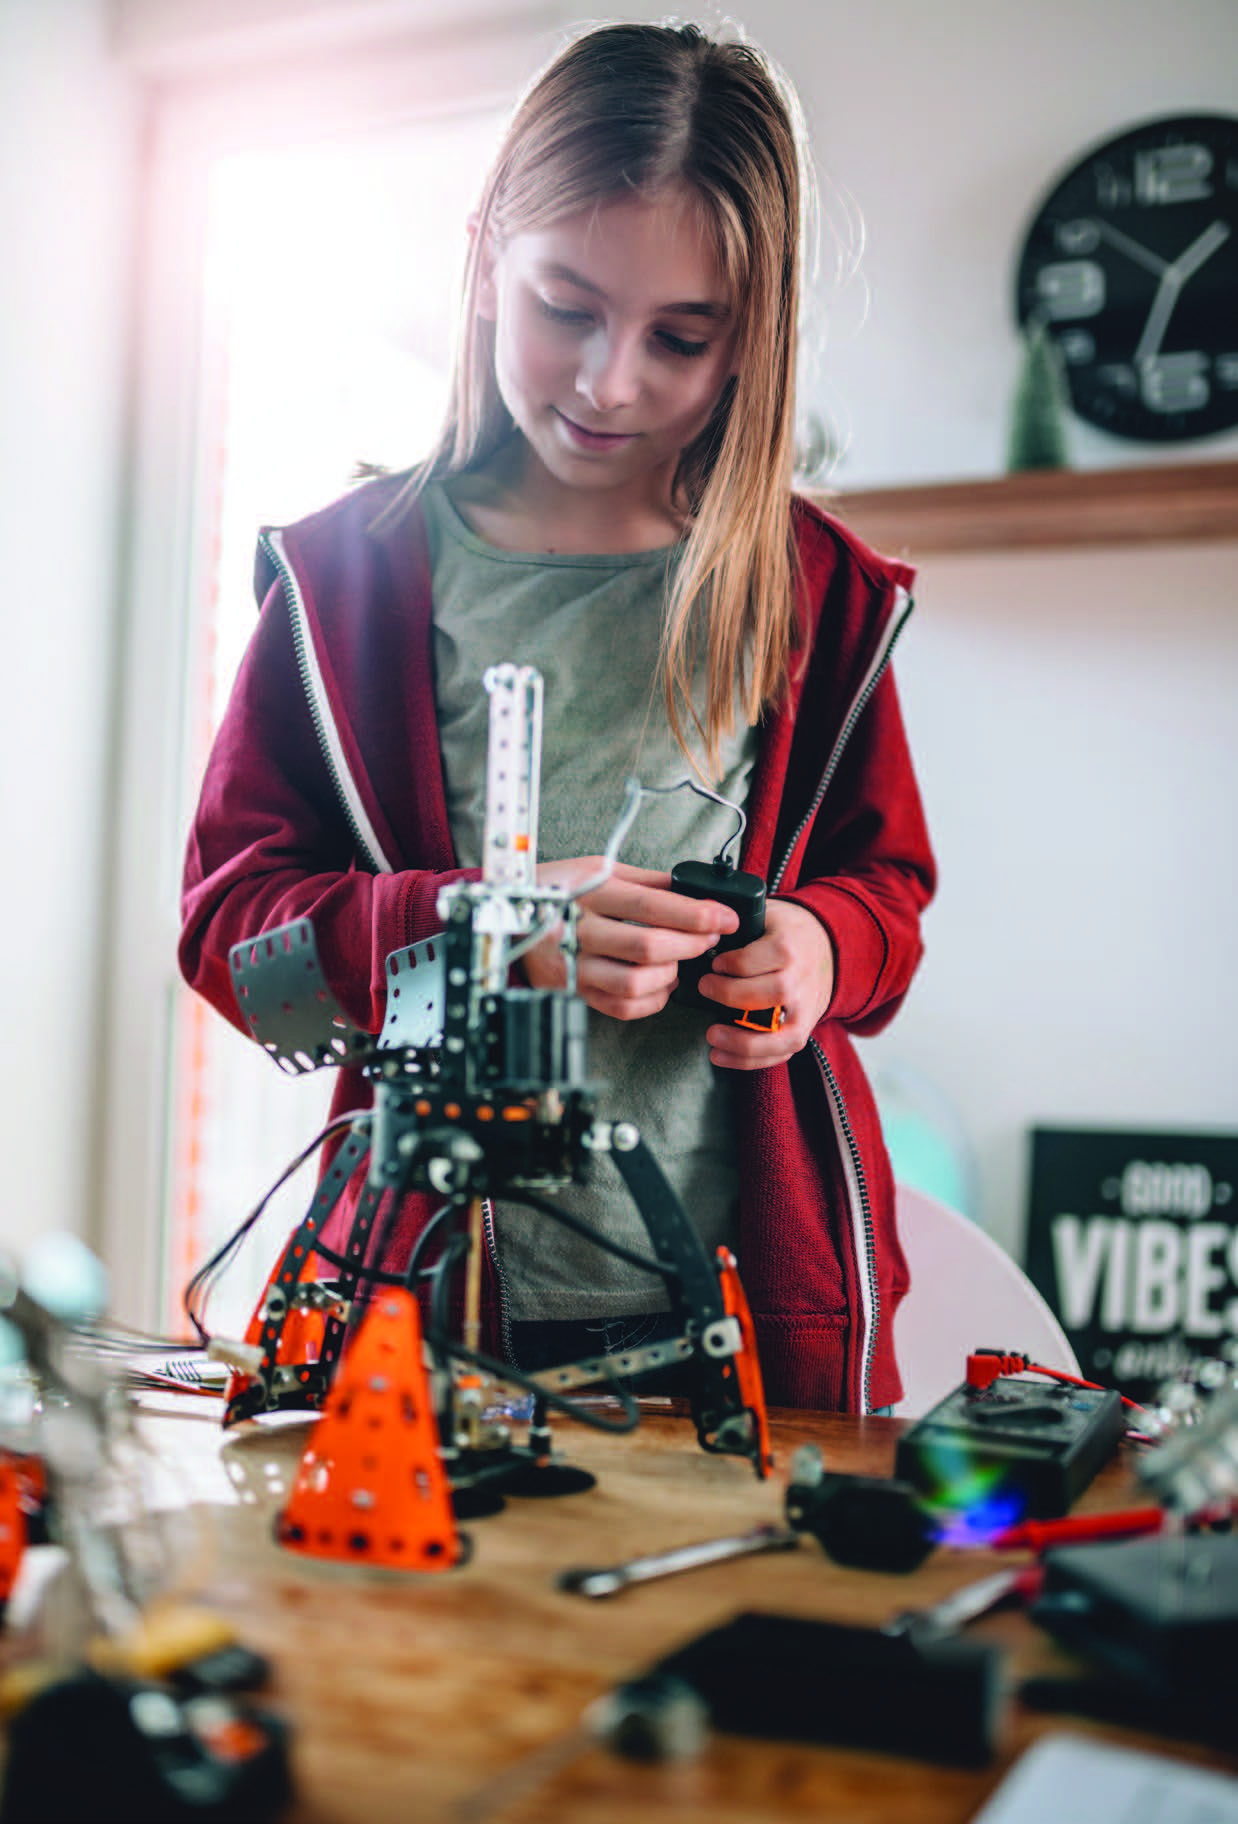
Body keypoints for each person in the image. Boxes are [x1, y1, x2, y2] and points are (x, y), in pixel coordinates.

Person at [178, 20, 935, 1414]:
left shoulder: (819, 594)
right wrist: (484, 938)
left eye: (680, 337)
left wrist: (825, 950)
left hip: (747, 1318)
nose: (608, 381)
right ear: (484, 261)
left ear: (750, 338)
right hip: (419, 1310)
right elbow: (238, 954)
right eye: (565, 308)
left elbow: (887, 899)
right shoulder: (340, 583)